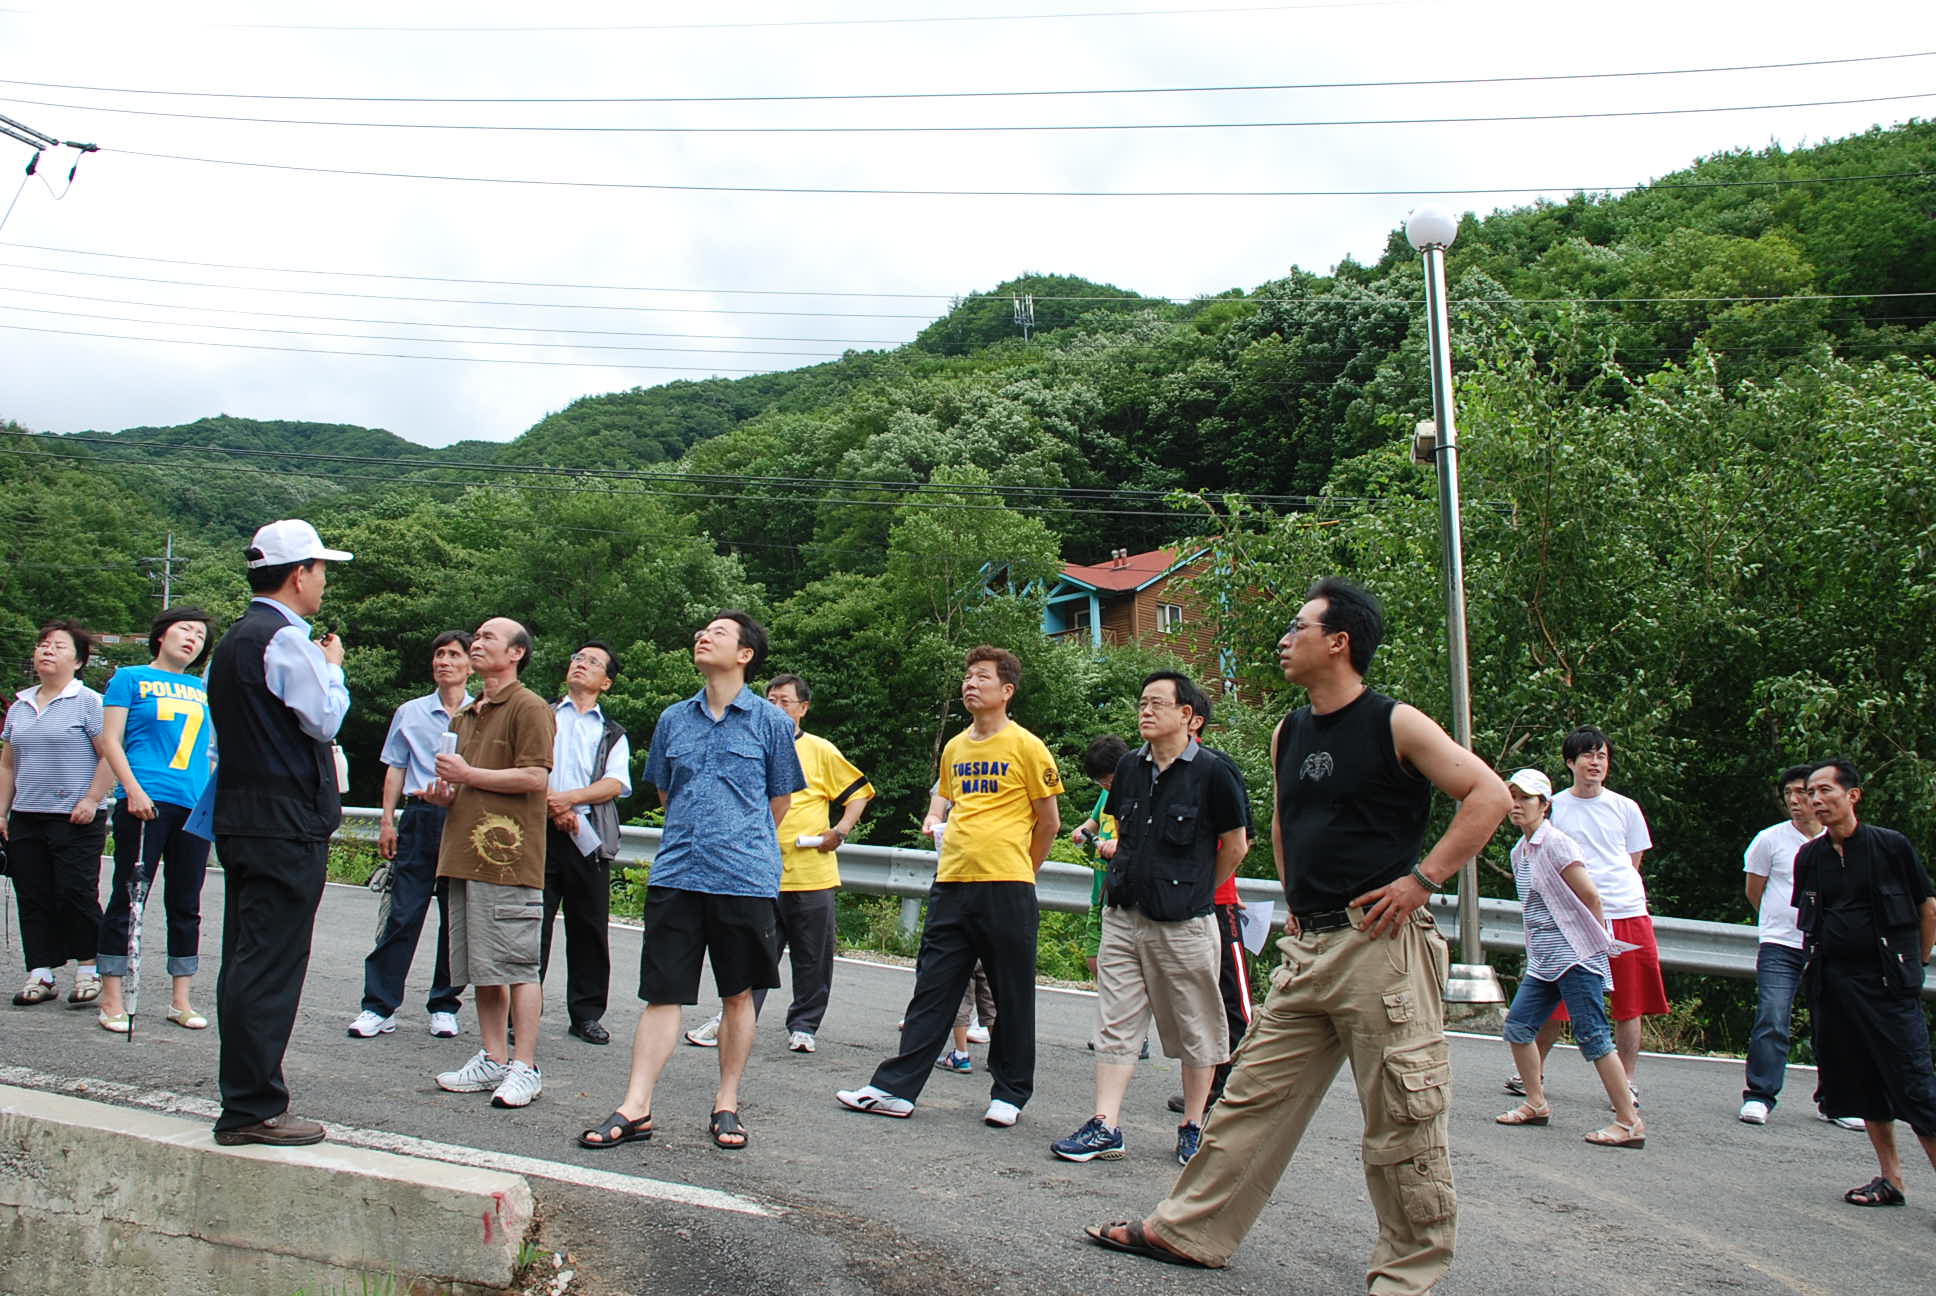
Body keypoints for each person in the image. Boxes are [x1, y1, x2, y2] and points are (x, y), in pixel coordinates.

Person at [1086, 576, 1509, 1294]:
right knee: (1250, 1096)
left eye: (1298, 628)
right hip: (1310, 944)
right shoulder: (1291, 729)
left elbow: (1489, 795)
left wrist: (1422, 882)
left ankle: (1407, 1273)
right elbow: (1283, 824)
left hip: (1382, 947)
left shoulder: (1395, 722)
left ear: (1338, 642)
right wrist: (1293, 900)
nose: (1285, 640)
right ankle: (1189, 1232)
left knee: (1402, 1116)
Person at [579, 612, 802, 1152]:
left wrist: (740, 841)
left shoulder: (771, 722)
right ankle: (636, 1107)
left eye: (720, 633)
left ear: (745, 654)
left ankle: (727, 1103)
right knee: (662, 992)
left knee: (738, 994)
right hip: (678, 872)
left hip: (744, 879)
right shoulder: (674, 718)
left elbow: (781, 799)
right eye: (703, 631)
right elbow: (665, 794)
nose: (705, 636)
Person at [836, 644, 1061, 1129]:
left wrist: (1026, 871)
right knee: (932, 987)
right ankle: (895, 1088)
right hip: (953, 882)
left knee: (1011, 994)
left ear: (1006, 690)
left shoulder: (1027, 745)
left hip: (1007, 885)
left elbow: (1049, 821)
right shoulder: (956, 748)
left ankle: (1010, 1092)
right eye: (967, 677)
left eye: (982, 677)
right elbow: (945, 804)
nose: (970, 684)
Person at [1051, 671, 1247, 1167]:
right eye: (1142, 702)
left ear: (1187, 715)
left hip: (1183, 921)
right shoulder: (1130, 770)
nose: (1145, 710)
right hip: (1124, 914)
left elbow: (1236, 846)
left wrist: (1198, 892)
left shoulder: (1214, 772)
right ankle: (1105, 1125)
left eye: (1157, 702)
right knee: (1116, 1022)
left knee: (1195, 1026)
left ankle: (1193, 1125)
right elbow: (1121, 830)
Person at [205, 520, 352, 1147]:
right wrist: (333, 669)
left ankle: (246, 1094)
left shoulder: (235, 639)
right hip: (285, 826)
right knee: (270, 964)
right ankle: (252, 1107)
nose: (323, 582)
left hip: (240, 820)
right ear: (299, 574)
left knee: (245, 957)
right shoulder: (288, 640)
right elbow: (323, 720)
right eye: (321, 570)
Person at [683, 672, 873, 1055]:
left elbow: (859, 793)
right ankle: (733, 1021)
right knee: (751, 953)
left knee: (813, 956)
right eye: (770, 700)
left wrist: (840, 830)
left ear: (803, 708)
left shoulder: (820, 749)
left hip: (811, 871)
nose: (776, 707)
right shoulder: (748, 740)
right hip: (758, 869)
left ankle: (804, 1025)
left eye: (785, 701)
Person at [1794, 758, 1936, 1209]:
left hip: (1888, 987)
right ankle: (1891, 1179)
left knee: (1915, 1086)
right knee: (1864, 1084)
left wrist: (1917, 962)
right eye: (1810, 793)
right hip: (1835, 987)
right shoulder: (1810, 856)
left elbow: (1927, 906)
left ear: (1852, 795)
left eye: (1825, 791)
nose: (1816, 800)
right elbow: (1809, 921)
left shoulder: (1890, 846)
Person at [428, 617, 555, 1109]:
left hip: (509, 858)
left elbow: (535, 778)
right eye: (475, 637)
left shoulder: (530, 707)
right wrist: (445, 792)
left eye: (487, 639)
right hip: (463, 854)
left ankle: (526, 1065)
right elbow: (466, 784)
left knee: (520, 964)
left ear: (516, 653)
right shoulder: (465, 714)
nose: (475, 645)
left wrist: (468, 773)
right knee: (481, 964)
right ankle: (493, 1058)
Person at [1491, 768, 1643, 1148]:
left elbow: (1591, 896)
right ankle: (1536, 1103)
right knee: (1519, 1027)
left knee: (1593, 1037)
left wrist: (1594, 946)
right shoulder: (1519, 850)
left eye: (1525, 798)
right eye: (1512, 797)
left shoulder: (1557, 844)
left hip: (1576, 955)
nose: (1516, 805)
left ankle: (1628, 1121)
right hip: (1545, 959)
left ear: (1545, 805)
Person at [1513, 727, 1665, 1102]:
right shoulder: (1555, 806)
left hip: (1625, 909)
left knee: (1628, 1003)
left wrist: (1609, 897)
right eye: (1587, 756)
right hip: (1573, 916)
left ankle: (1626, 1080)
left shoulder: (1625, 807)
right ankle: (1534, 1073)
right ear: (1571, 762)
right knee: (1555, 1000)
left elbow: (1633, 859)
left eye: (1602, 757)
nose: (1595, 763)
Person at [346, 631, 472, 1041]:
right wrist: (387, 820)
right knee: (402, 912)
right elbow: (395, 767)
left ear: (471, 664)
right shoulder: (411, 711)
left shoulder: (482, 712)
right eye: (439, 654)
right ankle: (378, 1005)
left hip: (464, 818)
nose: (444, 662)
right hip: (418, 816)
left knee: (456, 917)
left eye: (454, 655)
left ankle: (444, 1003)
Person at [96, 606, 217, 1033]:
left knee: (186, 902)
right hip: (144, 798)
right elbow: (111, 740)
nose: (192, 639)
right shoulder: (129, 677)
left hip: (193, 803)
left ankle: (180, 998)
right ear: (161, 634)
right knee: (130, 897)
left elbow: (213, 750)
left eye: (200, 636)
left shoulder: (204, 690)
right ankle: (111, 995)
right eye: (185, 629)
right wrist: (132, 789)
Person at [2, 619, 115, 1008]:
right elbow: (7, 765)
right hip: (27, 815)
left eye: (58, 646)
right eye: (43, 645)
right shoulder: (20, 705)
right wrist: (2, 812)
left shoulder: (90, 703)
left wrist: (90, 799)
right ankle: (41, 972)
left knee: (75, 892)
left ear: (79, 660)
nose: (47, 651)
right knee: (32, 893)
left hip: (76, 816)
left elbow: (111, 756)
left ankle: (90, 968)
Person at [1739, 764, 1855, 1128]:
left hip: (1830, 945)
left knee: (1835, 1021)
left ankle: (1835, 1100)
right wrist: (1777, 921)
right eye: (1788, 793)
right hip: (1781, 942)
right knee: (1773, 1015)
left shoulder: (1842, 841)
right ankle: (1759, 1095)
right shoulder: (1769, 840)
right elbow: (1754, 890)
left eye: (1802, 792)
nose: (1795, 800)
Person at [540, 640, 632, 1047]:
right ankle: (518, 1011)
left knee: (590, 928)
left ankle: (587, 1014)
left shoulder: (611, 731)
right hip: (536, 830)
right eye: (577, 657)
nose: (581, 664)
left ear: (606, 682)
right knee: (531, 925)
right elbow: (524, 763)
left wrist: (569, 801)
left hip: (586, 836)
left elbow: (615, 782)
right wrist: (552, 805)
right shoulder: (540, 714)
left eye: (592, 662)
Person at [1069, 734, 1129, 978]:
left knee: (1117, 966)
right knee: (1093, 957)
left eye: (1108, 780)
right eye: (1100, 781)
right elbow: (1094, 820)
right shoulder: (1106, 794)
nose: (1105, 785)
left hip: (1120, 895)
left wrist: (1119, 844)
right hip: (1099, 891)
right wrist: (1082, 832)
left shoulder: (1134, 793)